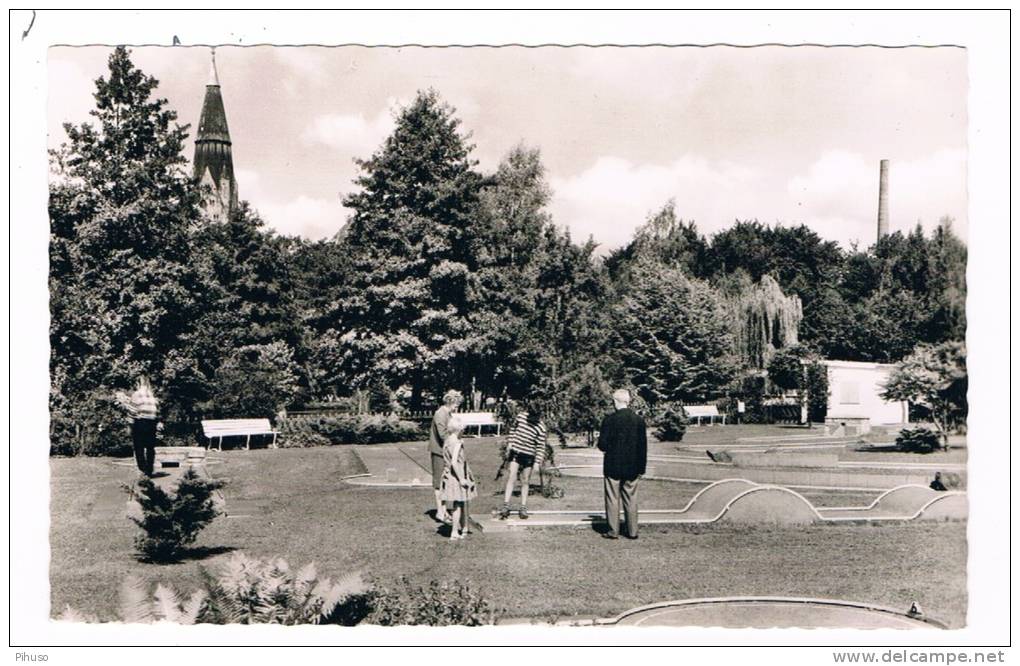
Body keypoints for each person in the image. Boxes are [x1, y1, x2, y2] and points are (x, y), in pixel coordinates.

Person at [597, 388, 647, 540]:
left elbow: (602, 445)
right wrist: (642, 468)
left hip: (613, 466)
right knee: (631, 499)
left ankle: (613, 531)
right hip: (633, 466)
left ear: (615, 401)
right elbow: (643, 447)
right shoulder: (639, 421)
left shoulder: (609, 420)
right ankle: (632, 531)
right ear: (628, 401)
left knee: (612, 499)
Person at [499, 404, 548, 520]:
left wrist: (537, 462)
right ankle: (506, 506)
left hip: (529, 455)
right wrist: (510, 442)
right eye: (531, 417)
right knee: (512, 477)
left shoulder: (541, 427)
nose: (532, 420)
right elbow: (513, 429)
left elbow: (541, 446)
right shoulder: (521, 417)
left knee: (525, 481)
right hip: (516, 451)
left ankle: (523, 507)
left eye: (535, 417)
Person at [439, 416, 477, 541]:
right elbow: (454, 462)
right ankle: (455, 531)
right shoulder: (457, 443)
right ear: (459, 429)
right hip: (456, 475)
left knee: (459, 502)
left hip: (449, 475)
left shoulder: (448, 440)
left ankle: (464, 527)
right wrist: (462, 479)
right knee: (458, 504)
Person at [115, 376, 160, 476]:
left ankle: (143, 468)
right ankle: (149, 469)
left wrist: (129, 423)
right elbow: (156, 411)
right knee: (150, 448)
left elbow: (133, 411)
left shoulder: (137, 394)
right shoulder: (151, 395)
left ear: (138, 384)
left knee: (138, 447)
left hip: (141, 422)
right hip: (152, 422)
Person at [429, 390, 463, 523]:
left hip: (445, 451)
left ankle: (443, 510)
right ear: (450, 401)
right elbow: (442, 434)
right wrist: (455, 443)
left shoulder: (448, 413)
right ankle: (440, 512)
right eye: (456, 403)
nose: (457, 406)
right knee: (438, 482)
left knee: (444, 481)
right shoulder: (440, 414)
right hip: (439, 451)